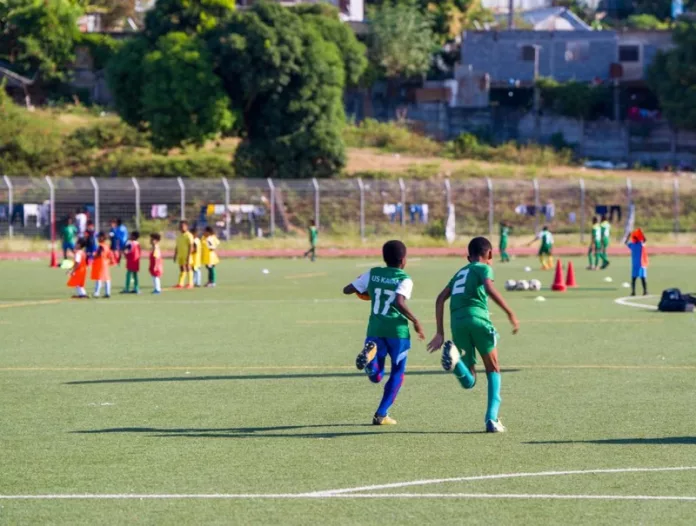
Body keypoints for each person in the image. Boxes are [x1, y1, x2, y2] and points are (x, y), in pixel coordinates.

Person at [427, 236, 519, 433]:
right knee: (493, 368)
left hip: (457, 323)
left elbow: (440, 299)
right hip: (478, 319)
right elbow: (488, 287)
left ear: (468, 257)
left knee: (470, 379)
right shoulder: (484, 268)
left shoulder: (459, 272)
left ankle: (456, 361)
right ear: (490, 254)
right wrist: (510, 312)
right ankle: (491, 419)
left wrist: (440, 333)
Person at [342, 240, 425, 425]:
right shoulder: (404, 278)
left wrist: (363, 287)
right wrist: (416, 321)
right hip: (397, 332)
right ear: (403, 260)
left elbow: (347, 290)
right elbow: (399, 302)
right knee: (398, 372)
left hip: (375, 330)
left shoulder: (372, 273)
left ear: (384, 258)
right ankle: (381, 414)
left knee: (376, 376)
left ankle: (370, 364)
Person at [626, 228, 648, 296]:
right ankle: (645, 291)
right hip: (641, 264)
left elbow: (625, 243)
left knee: (634, 279)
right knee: (642, 278)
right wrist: (642, 234)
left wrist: (628, 236)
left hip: (636, 264)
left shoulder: (633, 245)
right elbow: (645, 240)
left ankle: (633, 292)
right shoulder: (641, 244)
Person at [91, 232, 113, 298]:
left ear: (102, 238)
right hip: (105, 264)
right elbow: (109, 255)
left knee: (99, 278)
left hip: (100, 264)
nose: (97, 238)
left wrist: (94, 255)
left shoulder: (101, 246)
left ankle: (97, 292)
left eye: (98, 237)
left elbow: (99, 254)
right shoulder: (106, 246)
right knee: (107, 278)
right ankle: (107, 292)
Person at [173, 220, 194, 289]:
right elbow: (177, 246)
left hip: (187, 255)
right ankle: (180, 283)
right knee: (182, 269)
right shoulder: (179, 236)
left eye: (182, 226)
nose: (181, 227)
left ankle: (190, 283)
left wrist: (189, 255)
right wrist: (175, 254)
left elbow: (191, 246)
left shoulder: (189, 235)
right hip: (180, 255)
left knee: (188, 268)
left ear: (186, 227)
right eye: (180, 226)